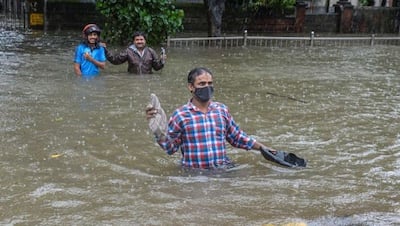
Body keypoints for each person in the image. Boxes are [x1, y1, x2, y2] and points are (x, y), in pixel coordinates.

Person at [145, 67, 277, 169]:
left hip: (222, 169)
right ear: (191, 87)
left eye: (210, 83)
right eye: (202, 84)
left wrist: (262, 148)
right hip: (194, 174)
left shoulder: (221, 110)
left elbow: (237, 137)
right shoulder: (180, 115)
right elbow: (170, 148)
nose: (207, 87)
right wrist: (159, 133)